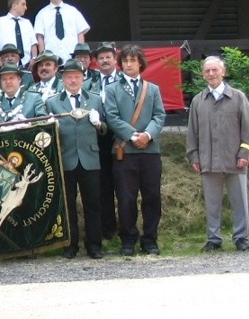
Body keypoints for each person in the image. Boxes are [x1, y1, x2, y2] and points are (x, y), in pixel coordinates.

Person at [186, 56, 249, 253]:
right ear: (202, 74)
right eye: (207, 71)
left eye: (214, 70)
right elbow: (192, 132)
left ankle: (241, 238)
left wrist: (244, 153)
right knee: (212, 203)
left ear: (223, 72)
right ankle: (214, 238)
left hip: (235, 160)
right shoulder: (198, 101)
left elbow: (248, 129)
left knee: (239, 201)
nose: (211, 74)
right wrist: (194, 156)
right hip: (208, 161)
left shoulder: (238, 97)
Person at [104, 45, 166, 256]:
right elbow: (111, 117)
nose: (128, 64)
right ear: (120, 64)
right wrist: (132, 135)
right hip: (124, 152)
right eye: (125, 61)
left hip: (150, 152)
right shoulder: (111, 89)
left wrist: (147, 135)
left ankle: (150, 240)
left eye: (132, 60)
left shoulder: (153, 89)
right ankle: (128, 239)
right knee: (126, 198)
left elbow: (159, 116)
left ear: (140, 62)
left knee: (152, 197)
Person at [45, 60, 106, 259]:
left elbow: (106, 130)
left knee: (93, 203)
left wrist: (98, 124)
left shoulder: (95, 100)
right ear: (62, 79)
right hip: (66, 158)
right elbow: (46, 137)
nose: (73, 80)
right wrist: (51, 127)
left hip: (90, 157)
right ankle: (70, 245)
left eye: (77, 76)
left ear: (83, 78)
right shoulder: (53, 102)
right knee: (68, 204)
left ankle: (94, 245)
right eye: (69, 77)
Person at [87, 42, 123, 239]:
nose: (104, 61)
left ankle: (127, 229)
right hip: (98, 138)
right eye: (101, 58)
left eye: (108, 57)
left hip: (120, 137)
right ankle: (108, 229)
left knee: (124, 184)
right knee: (103, 184)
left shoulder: (125, 82)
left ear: (115, 59)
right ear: (96, 62)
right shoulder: (90, 84)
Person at [33, 0, 89, 64]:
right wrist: (43, 57)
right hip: (51, 57)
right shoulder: (41, 14)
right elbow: (40, 37)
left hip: (72, 54)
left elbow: (80, 33)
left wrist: (80, 53)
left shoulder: (73, 11)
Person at [0, 0, 38, 69]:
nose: (26, 7)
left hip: (26, 63)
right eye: (23, 4)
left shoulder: (27, 22)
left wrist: (34, 58)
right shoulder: (0, 21)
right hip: (7, 62)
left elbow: (33, 43)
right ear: (14, 5)